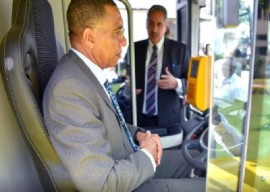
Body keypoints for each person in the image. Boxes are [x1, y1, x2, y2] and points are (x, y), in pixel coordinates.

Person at [42, 0, 205, 191]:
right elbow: (102, 183)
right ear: (89, 37)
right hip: (124, 180)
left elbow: (103, 120)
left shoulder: (84, 75)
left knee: (198, 159)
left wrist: (138, 133)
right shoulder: (69, 89)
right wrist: (147, 156)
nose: (124, 41)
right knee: (209, 185)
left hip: (128, 158)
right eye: (117, 32)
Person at [122, 5, 190, 129]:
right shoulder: (134, 49)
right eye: (151, 23)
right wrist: (128, 89)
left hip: (169, 120)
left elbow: (191, 84)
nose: (154, 29)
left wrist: (177, 84)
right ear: (146, 24)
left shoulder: (180, 50)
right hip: (138, 119)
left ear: (165, 26)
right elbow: (127, 81)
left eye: (159, 24)